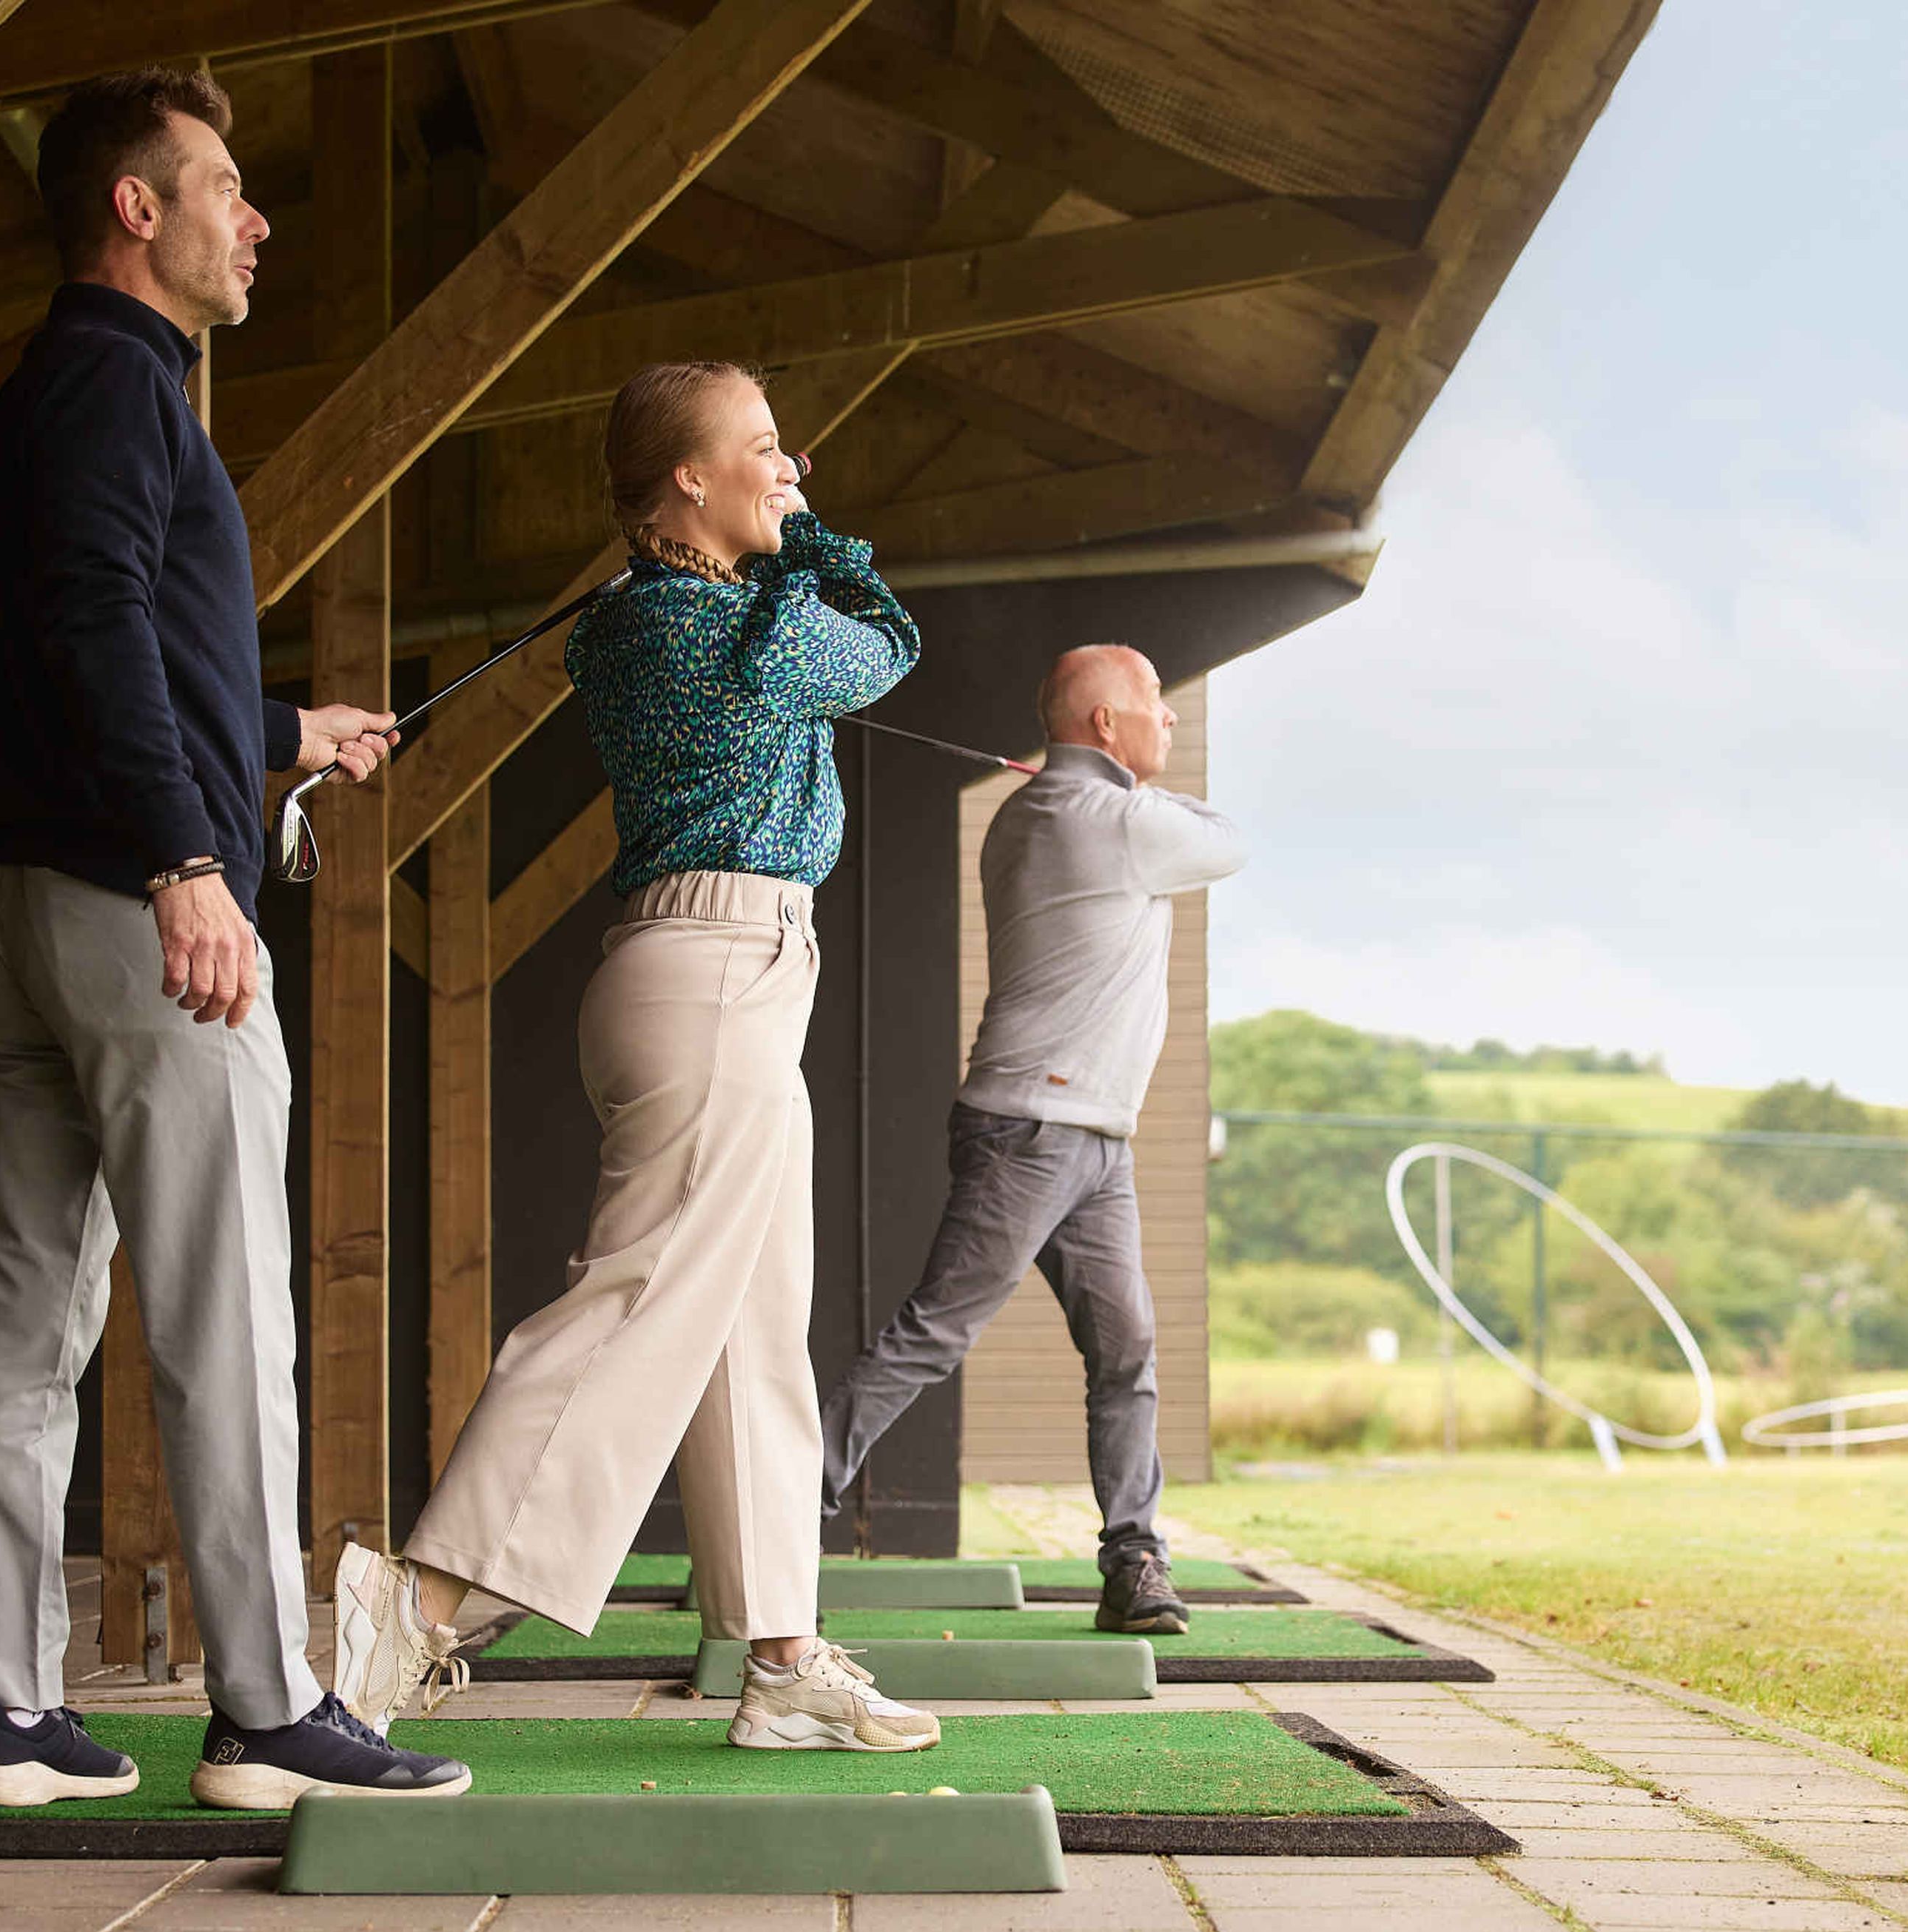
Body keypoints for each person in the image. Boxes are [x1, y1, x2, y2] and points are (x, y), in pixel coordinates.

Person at [0, 70, 466, 1811]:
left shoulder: (58, 395)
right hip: (136, 914)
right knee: (228, 1320)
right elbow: (94, 620)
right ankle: (263, 1712)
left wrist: (271, 739)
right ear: (135, 211)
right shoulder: (115, 385)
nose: (257, 221)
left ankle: (9, 1722)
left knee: (23, 1334)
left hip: (30, 911)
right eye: (226, 188)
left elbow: (101, 657)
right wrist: (186, 850)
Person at [333, 361, 942, 1753]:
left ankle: (781, 1658)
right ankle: (414, 1609)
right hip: (718, 970)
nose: (791, 471)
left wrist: (785, 524)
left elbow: (831, 625)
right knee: (641, 1297)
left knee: (747, 1327)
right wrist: (822, 535)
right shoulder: (702, 625)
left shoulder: (674, 610)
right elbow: (883, 641)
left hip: (725, 974)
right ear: (689, 477)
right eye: (768, 451)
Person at [821, 644, 1245, 1634]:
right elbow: (1228, 842)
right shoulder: (1105, 818)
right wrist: (1097, 788)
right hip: (1034, 1130)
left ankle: (1134, 1560)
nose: (1169, 722)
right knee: (936, 1331)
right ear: (1103, 724)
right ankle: (782, 1507)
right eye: (1154, 706)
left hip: (1095, 1136)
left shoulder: (1044, 810)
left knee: (1127, 1346)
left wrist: (1075, 779)